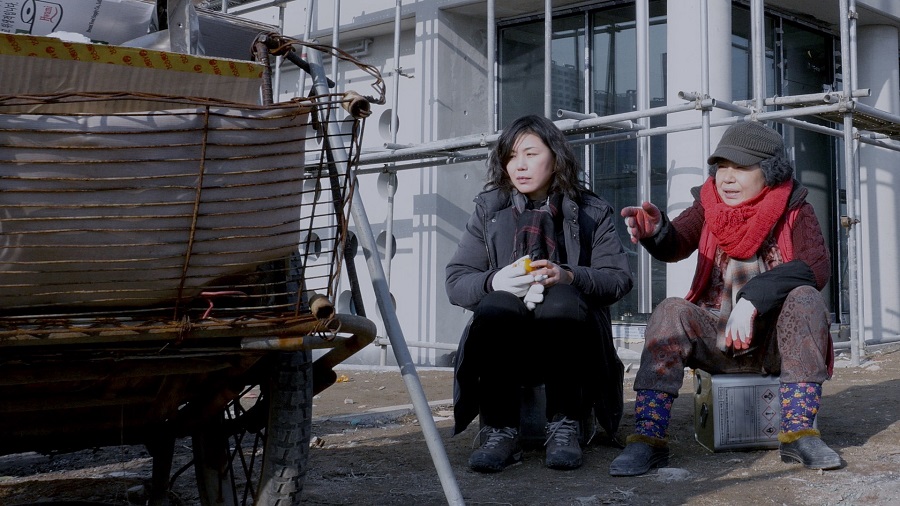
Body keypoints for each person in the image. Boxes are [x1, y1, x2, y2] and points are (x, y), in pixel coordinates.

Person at [609, 121, 840, 477]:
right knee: (670, 310)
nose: (727, 178)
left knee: (806, 297)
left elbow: (816, 267)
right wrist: (657, 232)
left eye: (742, 168)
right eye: (722, 167)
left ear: (770, 172)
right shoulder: (709, 204)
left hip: (775, 344)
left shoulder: (795, 207)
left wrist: (751, 300)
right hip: (718, 337)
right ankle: (648, 439)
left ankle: (799, 435)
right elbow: (678, 242)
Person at [445, 114, 633, 473]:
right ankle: (499, 430)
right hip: (507, 340)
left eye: (530, 154)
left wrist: (568, 275)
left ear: (556, 157)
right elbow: (456, 281)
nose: (520, 165)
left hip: (572, 339)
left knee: (561, 299)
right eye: (511, 156)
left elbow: (618, 279)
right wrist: (495, 281)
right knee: (496, 305)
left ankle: (566, 424)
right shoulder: (489, 209)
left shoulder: (590, 210)